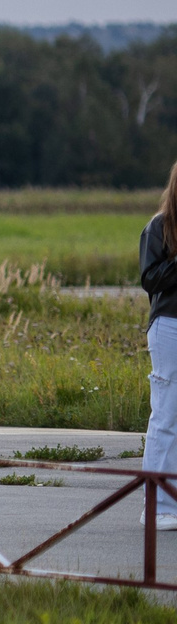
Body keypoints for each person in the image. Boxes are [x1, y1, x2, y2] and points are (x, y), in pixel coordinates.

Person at [143, 161, 177, 531]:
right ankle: (158, 506)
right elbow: (150, 278)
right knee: (166, 415)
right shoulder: (159, 227)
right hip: (170, 326)